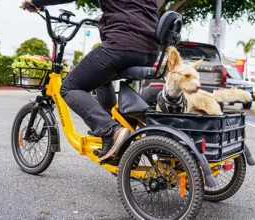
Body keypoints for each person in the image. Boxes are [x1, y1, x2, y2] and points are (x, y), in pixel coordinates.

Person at [21, 0, 159, 160]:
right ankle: (112, 126)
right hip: (150, 51)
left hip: (122, 46)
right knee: (102, 78)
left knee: (69, 88)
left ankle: (110, 131)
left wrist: (36, 2)